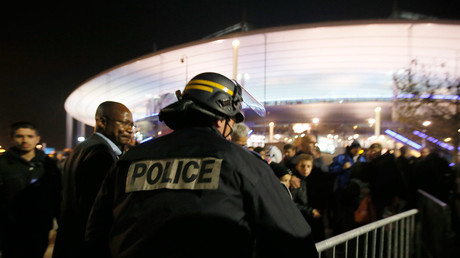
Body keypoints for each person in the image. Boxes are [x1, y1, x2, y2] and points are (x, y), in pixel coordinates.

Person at [85, 72, 318, 257]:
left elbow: (96, 234)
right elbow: (295, 239)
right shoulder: (243, 164)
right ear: (221, 118)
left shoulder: (130, 159)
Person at [53, 101, 133, 258]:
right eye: (124, 123)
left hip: (70, 239)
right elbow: (96, 208)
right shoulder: (102, 154)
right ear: (102, 122)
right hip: (86, 245)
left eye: (131, 124)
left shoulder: (83, 148)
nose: (129, 129)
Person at [0, 121, 61, 258]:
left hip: (40, 227)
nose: (25, 140)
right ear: (11, 138)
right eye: (20, 136)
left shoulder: (48, 164)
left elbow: (56, 194)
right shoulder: (3, 163)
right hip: (11, 229)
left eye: (29, 136)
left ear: (37, 139)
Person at [290, 154, 325, 242]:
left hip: (315, 217)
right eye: (302, 166)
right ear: (297, 166)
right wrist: (310, 211)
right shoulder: (294, 182)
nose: (305, 169)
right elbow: (291, 202)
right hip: (301, 220)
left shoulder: (315, 179)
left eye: (308, 166)